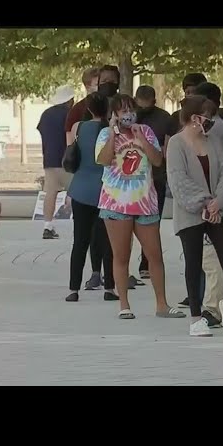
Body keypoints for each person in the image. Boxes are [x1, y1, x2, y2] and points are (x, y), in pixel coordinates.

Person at [95, 94, 185, 320]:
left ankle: (162, 304)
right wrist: (113, 134)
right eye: (122, 111)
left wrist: (141, 138)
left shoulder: (145, 131)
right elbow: (104, 160)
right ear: (114, 114)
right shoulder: (105, 134)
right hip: (116, 203)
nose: (128, 114)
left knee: (154, 254)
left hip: (145, 201)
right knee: (121, 255)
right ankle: (124, 305)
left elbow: (157, 160)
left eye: (130, 109)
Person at [167, 95, 223, 336]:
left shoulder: (213, 141)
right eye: (207, 117)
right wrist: (205, 202)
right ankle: (196, 317)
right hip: (191, 213)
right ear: (194, 117)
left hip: (218, 210)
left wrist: (219, 202)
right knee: (193, 261)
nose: (210, 121)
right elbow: (178, 180)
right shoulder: (176, 144)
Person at [66, 93, 117, 302]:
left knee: (80, 241)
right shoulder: (110, 131)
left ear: (88, 109)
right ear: (108, 109)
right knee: (108, 240)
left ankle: (73, 289)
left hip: (81, 188)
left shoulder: (78, 127)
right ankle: (109, 288)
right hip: (106, 190)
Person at [81, 65, 125, 290]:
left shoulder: (122, 105)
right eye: (104, 80)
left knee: (115, 232)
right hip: (93, 177)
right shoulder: (86, 107)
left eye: (111, 80)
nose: (108, 83)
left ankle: (116, 273)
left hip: (117, 180)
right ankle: (96, 271)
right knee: (95, 231)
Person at [134, 85, 177, 280]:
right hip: (132, 178)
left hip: (155, 177)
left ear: (154, 102)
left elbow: (168, 148)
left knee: (152, 222)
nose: (143, 111)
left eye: (147, 107)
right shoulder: (130, 117)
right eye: (140, 107)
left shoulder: (165, 118)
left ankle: (147, 261)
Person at [37, 85, 75, 240]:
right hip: (68, 160)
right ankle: (81, 226)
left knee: (50, 193)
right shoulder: (71, 115)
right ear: (70, 100)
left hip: (50, 159)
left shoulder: (46, 114)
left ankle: (48, 226)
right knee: (75, 193)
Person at [65, 67, 100, 144]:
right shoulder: (77, 110)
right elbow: (70, 141)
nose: (101, 87)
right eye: (97, 84)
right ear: (88, 87)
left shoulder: (110, 105)